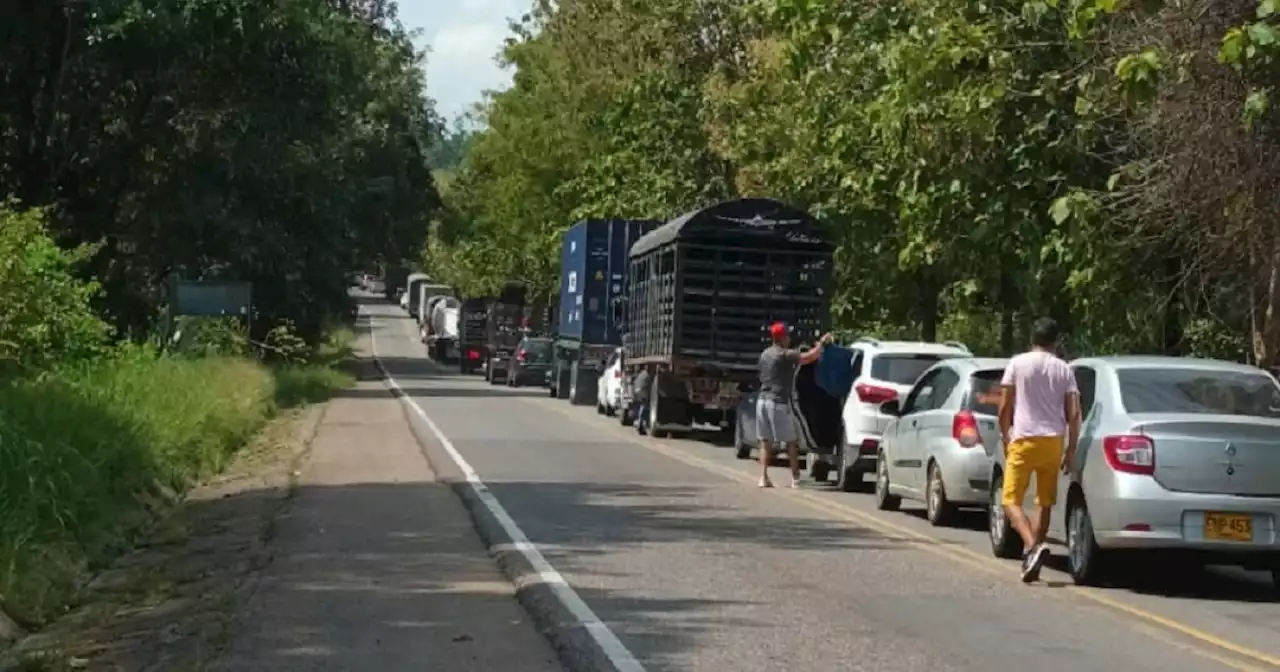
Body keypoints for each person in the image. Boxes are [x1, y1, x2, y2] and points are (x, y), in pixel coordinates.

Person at [998, 317, 1082, 583]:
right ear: (1055, 342)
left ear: (1031, 339)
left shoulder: (1017, 363)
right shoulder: (1064, 369)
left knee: (1010, 500)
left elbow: (1004, 406)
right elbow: (1075, 412)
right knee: (1044, 502)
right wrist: (1071, 449)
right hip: (1053, 441)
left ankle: (1032, 546)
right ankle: (1031, 558)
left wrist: (1005, 435)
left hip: (1024, 439)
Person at [757, 322, 832, 488]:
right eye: (787, 335)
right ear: (783, 337)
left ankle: (763, 477)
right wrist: (822, 343)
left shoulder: (765, 354)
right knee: (791, 442)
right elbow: (810, 357)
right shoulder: (785, 354)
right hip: (778, 402)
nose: (789, 338)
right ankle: (796, 478)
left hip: (762, 401)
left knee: (765, 441)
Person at [632, 364, 653, 435]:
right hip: (642, 391)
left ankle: (639, 423)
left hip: (638, 391)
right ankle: (640, 424)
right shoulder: (647, 375)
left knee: (642, 406)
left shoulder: (642, 374)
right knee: (644, 407)